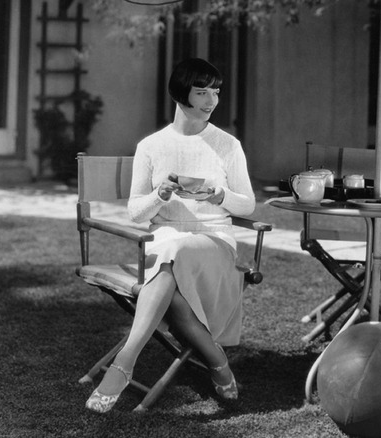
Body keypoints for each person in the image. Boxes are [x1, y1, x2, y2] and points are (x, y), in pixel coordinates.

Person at [86, 58, 256, 413]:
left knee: (171, 255)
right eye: (202, 91)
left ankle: (124, 362)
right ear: (182, 94)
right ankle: (216, 360)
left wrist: (219, 195)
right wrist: (159, 195)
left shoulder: (228, 145)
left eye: (216, 92)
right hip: (164, 240)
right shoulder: (151, 146)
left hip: (214, 241)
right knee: (171, 274)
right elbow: (136, 212)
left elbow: (249, 205)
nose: (211, 100)